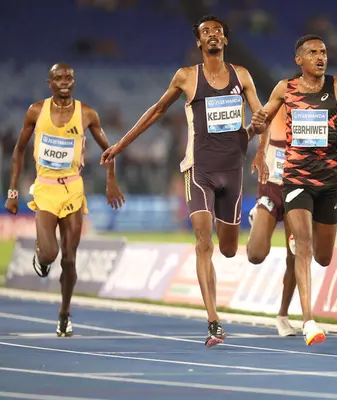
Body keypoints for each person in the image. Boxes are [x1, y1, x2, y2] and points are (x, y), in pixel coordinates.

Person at [100, 15, 266, 348]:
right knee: (204, 242)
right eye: (206, 32)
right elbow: (156, 111)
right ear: (199, 43)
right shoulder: (187, 77)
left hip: (232, 170)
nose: (213, 35)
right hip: (199, 170)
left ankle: (250, 220)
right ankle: (213, 321)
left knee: (230, 249)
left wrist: (258, 145)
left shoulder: (242, 76)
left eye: (218, 31)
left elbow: (262, 117)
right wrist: (121, 144)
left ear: (225, 40)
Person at [251, 35, 337, 346]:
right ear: (298, 60)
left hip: (329, 184)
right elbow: (262, 119)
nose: (321, 57)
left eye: (324, 52)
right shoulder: (284, 89)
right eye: (313, 52)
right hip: (295, 181)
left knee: (324, 257)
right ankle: (309, 321)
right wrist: (257, 124)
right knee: (303, 246)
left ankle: (304, 312)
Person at [4, 63, 125, 337]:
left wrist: (111, 182)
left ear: (74, 81)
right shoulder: (36, 111)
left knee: (70, 259)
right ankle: (42, 255)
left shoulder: (87, 114)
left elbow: (110, 151)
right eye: (58, 77)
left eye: (69, 77)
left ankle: (65, 313)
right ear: (50, 83)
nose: (64, 81)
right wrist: (12, 192)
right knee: (50, 254)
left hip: (72, 188)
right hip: (45, 189)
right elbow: (19, 150)